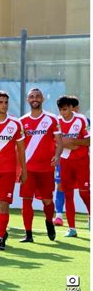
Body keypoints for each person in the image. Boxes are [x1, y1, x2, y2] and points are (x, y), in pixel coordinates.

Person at [18, 88, 63, 243]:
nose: (34, 99)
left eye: (37, 96)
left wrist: (57, 156)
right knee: (26, 199)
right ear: (27, 100)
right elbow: (19, 146)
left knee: (47, 201)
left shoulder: (51, 119)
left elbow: (59, 142)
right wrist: (20, 168)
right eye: (31, 96)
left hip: (46, 168)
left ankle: (49, 221)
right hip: (28, 168)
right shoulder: (22, 121)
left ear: (42, 99)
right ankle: (28, 233)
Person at [0, 91, 27, 250]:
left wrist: (24, 170)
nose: (4, 105)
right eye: (0, 102)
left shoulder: (15, 123)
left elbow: (21, 150)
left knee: (4, 205)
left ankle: (0, 238)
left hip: (8, 171)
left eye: (6, 102)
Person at [56, 95, 90, 237]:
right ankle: (72, 228)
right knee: (68, 193)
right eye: (61, 110)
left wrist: (74, 141)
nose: (63, 112)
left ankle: (90, 216)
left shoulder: (81, 119)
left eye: (65, 109)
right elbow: (57, 143)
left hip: (81, 160)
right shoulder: (56, 122)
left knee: (84, 192)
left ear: (71, 108)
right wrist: (64, 143)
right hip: (65, 161)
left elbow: (88, 141)